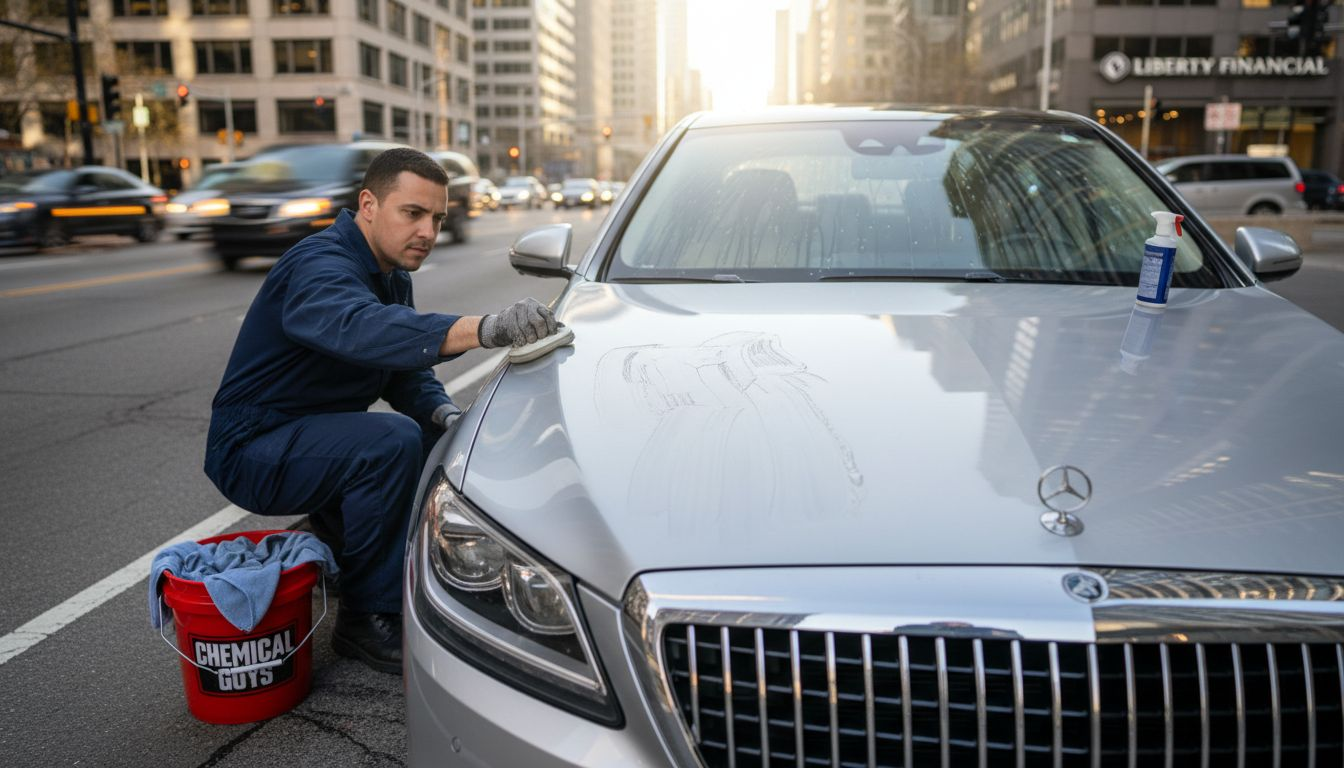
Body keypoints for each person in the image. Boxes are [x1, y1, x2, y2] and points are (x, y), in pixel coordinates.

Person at [203, 147, 556, 674]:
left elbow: (401, 369)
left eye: (436, 218)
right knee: (389, 442)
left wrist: (444, 417)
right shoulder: (319, 264)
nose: (428, 232)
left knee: (420, 438)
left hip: (309, 434)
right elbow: (358, 328)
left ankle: (354, 557)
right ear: (368, 204)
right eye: (411, 213)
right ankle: (365, 618)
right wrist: (483, 328)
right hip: (253, 446)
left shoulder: (390, 275)